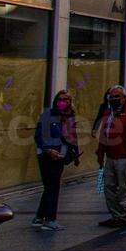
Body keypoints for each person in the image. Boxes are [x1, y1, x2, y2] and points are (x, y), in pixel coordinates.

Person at [95, 86, 126, 228]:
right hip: (110, 157)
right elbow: (105, 134)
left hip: (124, 157)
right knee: (108, 186)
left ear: (124, 98)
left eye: (118, 96)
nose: (114, 99)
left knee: (124, 187)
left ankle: (125, 216)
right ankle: (116, 215)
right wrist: (100, 153)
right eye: (112, 96)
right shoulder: (108, 112)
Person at [32, 90, 80, 230]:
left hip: (60, 156)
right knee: (52, 187)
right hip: (47, 156)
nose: (63, 101)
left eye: (66, 99)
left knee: (50, 187)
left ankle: (40, 217)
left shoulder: (69, 117)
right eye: (60, 99)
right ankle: (50, 219)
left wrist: (75, 154)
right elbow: (39, 136)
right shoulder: (48, 115)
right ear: (55, 100)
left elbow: (72, 137)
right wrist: (48, 150)